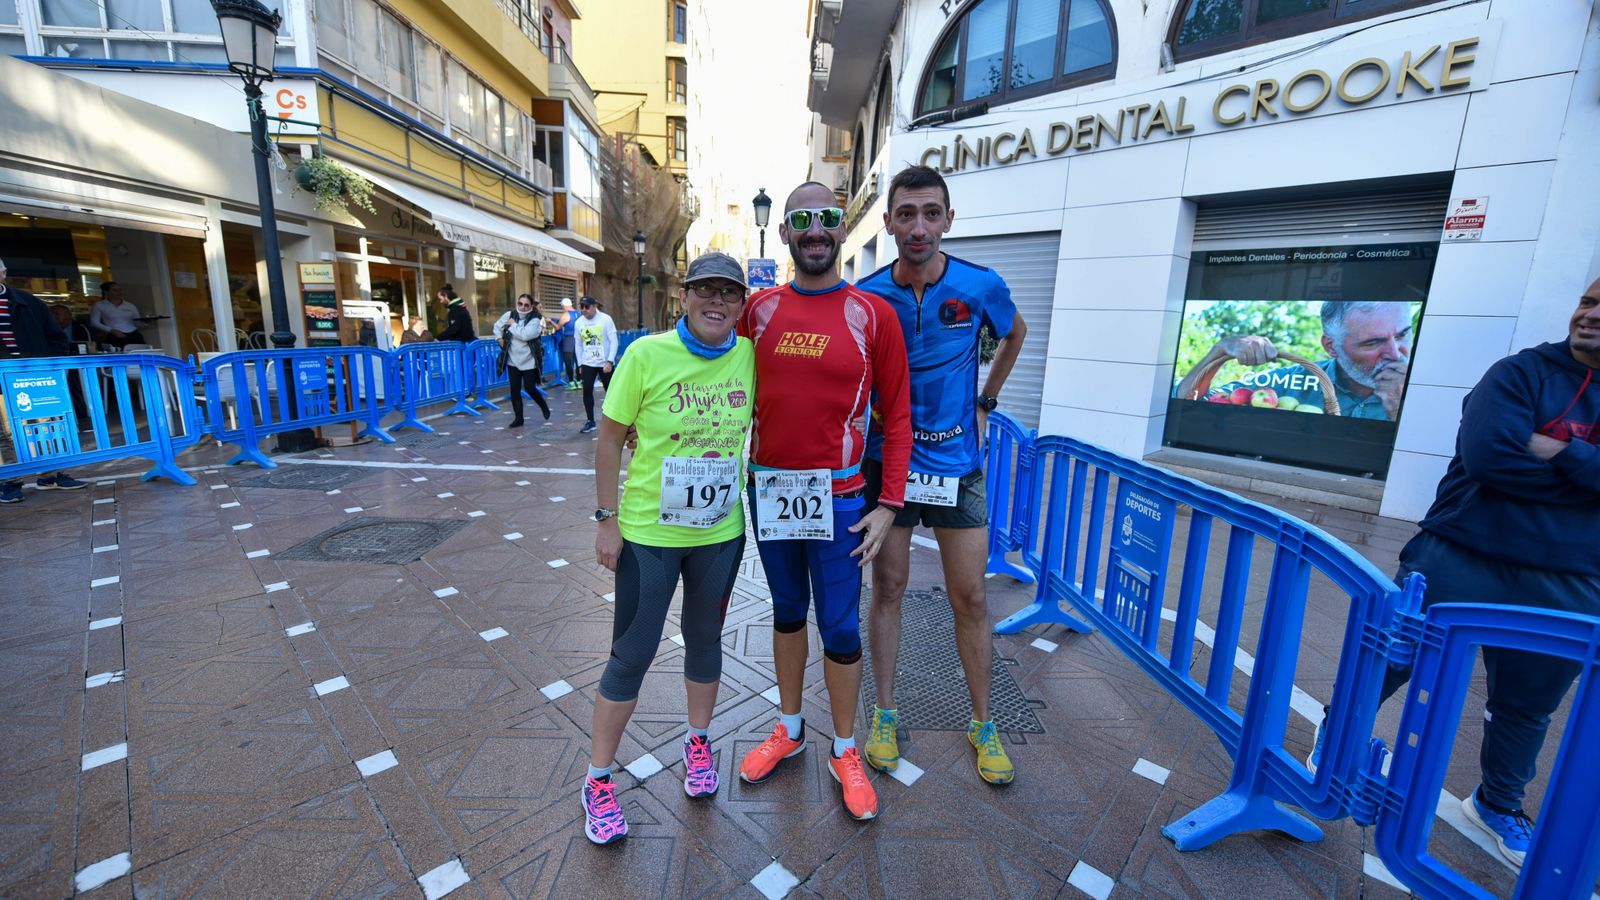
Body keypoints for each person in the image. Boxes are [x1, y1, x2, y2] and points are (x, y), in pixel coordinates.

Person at [1307, 277, 1599, 866]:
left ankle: (1497, 802)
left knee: (1526, 702)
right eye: (1590, 301)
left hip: (1569, 578)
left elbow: (1522, 460)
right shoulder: (1518, 374)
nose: (1591, 315)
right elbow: (1491, 457)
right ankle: (1337, 742)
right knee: (1390, 658)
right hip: (1459, 553)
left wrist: (1564, 450)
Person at [735, 183, 912, 822]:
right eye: (801, 220)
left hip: (841, 501)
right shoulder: (756, 312)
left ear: (844, 230)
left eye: (827, 220)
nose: (815, 231)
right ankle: (790, 727)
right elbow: (714, 379)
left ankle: (844, 747)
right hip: (772, 491)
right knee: (787, 611)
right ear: (783, 232)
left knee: (838, 624)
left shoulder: (873, 313)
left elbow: (899, 414)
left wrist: (889, 503)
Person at [856, 165, 1028, 785]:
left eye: (931, 213)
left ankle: (984, 724)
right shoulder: (871, 294)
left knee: (972, 596)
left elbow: (1015, 333)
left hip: (960, 467)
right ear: (889, 223)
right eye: (907, 214)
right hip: (890, 466)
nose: (919, 226)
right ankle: (884, 713)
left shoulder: (981, 286)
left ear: (949, 221)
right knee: (889, 590)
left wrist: (987, 401)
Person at [583, 252, 756, 844]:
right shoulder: (645, 355)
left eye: (728, 293)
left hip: (719, 533)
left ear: (741, 304)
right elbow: (609, 440)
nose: (717, 301)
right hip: (650, 536)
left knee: (705, 642)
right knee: (632, 652)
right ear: (684, 297)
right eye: (705, 289)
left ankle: (698, 744)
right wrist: (607, 520)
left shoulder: (748, 355)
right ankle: (599, 778)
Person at [1174, 300, 1414, 419]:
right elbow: (1185, 402)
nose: (1395, 354)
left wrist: (1400, 411)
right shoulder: (1289, 382)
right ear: (1331, 346)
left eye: (1403, 334)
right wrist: (1219, 351)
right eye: (1373, 342)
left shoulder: (1428, 394)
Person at [0, 259, 88, 503]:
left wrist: (54, 367)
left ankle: (50, 475)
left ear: (4, 273)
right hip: (1, 381)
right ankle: (10, 481)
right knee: (6, 432)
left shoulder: (28, 302)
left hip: (36, 376)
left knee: (46, 426)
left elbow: (56, 337)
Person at [492, 294, 551, 427]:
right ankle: (519, 418)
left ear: (531, 306)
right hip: (513, 359)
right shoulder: (509, 314)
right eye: (520, 304)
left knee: (530, 388)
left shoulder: (535, 320)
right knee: (514, 389)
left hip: (529, 359)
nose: (522, 307)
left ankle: (543, 406)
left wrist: (513, 325)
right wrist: (499, 339)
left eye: (526, 305)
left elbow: (525, 335)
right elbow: (497, 326)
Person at [575, 295, 618, 434]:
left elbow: (614, 341)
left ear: (594, 306)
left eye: (587, 307)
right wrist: (580, 364)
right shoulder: (579, 323)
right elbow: (578, 344)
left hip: (605, 362)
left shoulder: (605, 319)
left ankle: (616, 420)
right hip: (588, 362)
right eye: (581, 307)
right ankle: (590, 421)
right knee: (586, 389)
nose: (584, 310)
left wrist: (610, 361)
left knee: (611, 391)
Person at [89, 282, 152, 348]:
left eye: (120, 290)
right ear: (106, 292)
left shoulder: (130, 305)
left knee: (139, 355)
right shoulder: (99, 305)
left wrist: (146, 322)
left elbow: (136, 322)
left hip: (133, 335)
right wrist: (111, 330)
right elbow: (94, 322)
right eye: (115, 290)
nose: (119, 292)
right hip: (114, 335)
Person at [556, 297, 580, 389]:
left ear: (565, 306)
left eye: (562, 306)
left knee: (568, 361)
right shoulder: (579, 313)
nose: (562, 308)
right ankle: (579, 381)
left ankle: (571, 382)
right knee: (578, 361)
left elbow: (558, 327)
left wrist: (550, 321)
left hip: (569, 339)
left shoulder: (566, 314)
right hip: (578, 339)